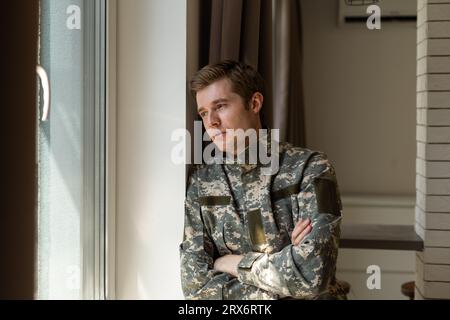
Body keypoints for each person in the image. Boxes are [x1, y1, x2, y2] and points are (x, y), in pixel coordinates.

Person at [180, 60, 346, 300]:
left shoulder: (310, 169)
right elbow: (195, 286)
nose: (211, 122)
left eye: (221, 106)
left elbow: (312, 274)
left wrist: (232, 264)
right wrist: (285, 274)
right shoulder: (201, 183)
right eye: (204, 113)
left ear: (254, 103)